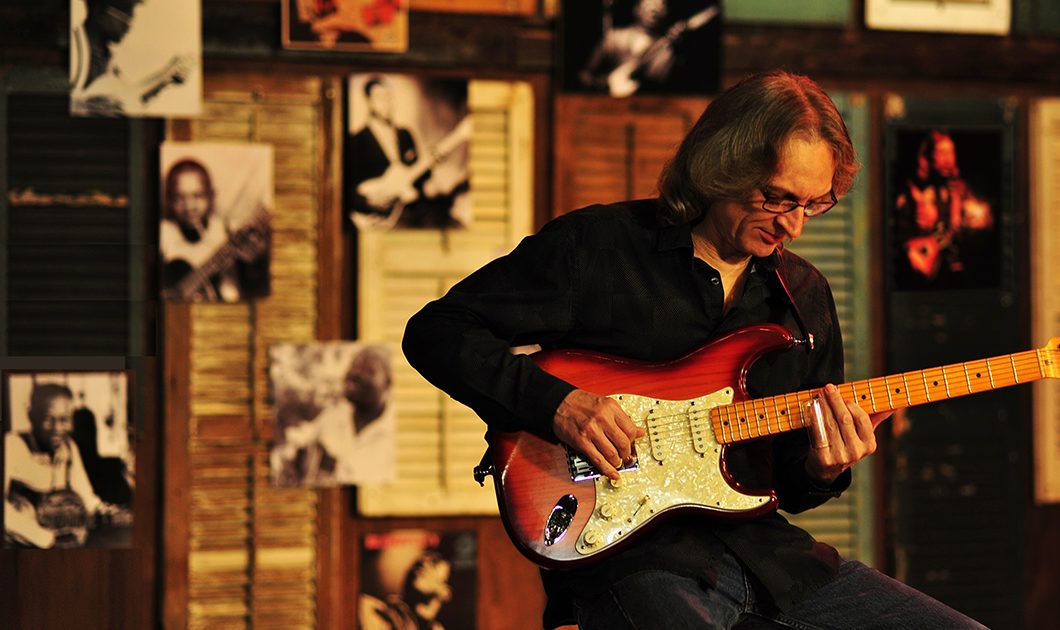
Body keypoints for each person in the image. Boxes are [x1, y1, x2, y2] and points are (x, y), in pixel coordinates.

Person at [402, 72, 986, 628]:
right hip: (634, 561)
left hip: (769, 561)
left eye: (812, 205)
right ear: (723, 164)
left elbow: (790, 486)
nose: (794, 227)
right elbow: (438, 330)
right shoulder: (599, 247)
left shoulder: (803, 296)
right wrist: (559, 404)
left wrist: (822, 467)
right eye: (778, 198)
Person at [347, 77, 470, 230]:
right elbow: (345, 185)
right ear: (369, 102)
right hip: (375, 218)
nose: (386, 103)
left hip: (407, 211)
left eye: (388, 97)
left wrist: (435, 161)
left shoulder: (404, 134)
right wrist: (368, 202)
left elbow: (418, 176)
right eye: (380, 98)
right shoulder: (357, 140)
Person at [4, 383, 116, 549]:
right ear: (31, 416)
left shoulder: (68, 447)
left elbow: (85, 495)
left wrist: (103, 511)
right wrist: (45, 539)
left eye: (64, 420)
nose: (57, 428)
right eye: (49, 419)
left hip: (61, 544)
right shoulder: (12, 445)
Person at [274, 346, 395, 485]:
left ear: (388, 383)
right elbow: (299, 451)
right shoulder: (333, 415)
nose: (356, 373)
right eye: (354, 365)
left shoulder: (396, 433)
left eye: (369, 371)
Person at [894, 130, 995, 287]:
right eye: (942, 153)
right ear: (928, 157)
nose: (948, 159)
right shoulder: (913, 191)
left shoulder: (960, 189)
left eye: (951, 153)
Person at [160, 158, 270, 302]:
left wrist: (255, 263)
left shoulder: (226, 230)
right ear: (168, 200)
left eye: (197, 196)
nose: (189, 206)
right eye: (179, 198)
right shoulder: (164, 234)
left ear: (211, 196)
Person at [70, 0, 193, 116]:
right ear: (100, 11)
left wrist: (167, 76)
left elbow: (127, 99)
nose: (130, 23)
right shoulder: (73, 47)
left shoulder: (106, 56)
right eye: (127, 12)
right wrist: (82, 106)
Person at [577, 0, 718, 97]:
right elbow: (584, 76)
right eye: (649, 3)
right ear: (636, 9)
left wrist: (677, 51)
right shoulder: (614, 38)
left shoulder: (670, 50)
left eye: (661, 4)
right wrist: (605, 84)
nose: (654, 9)